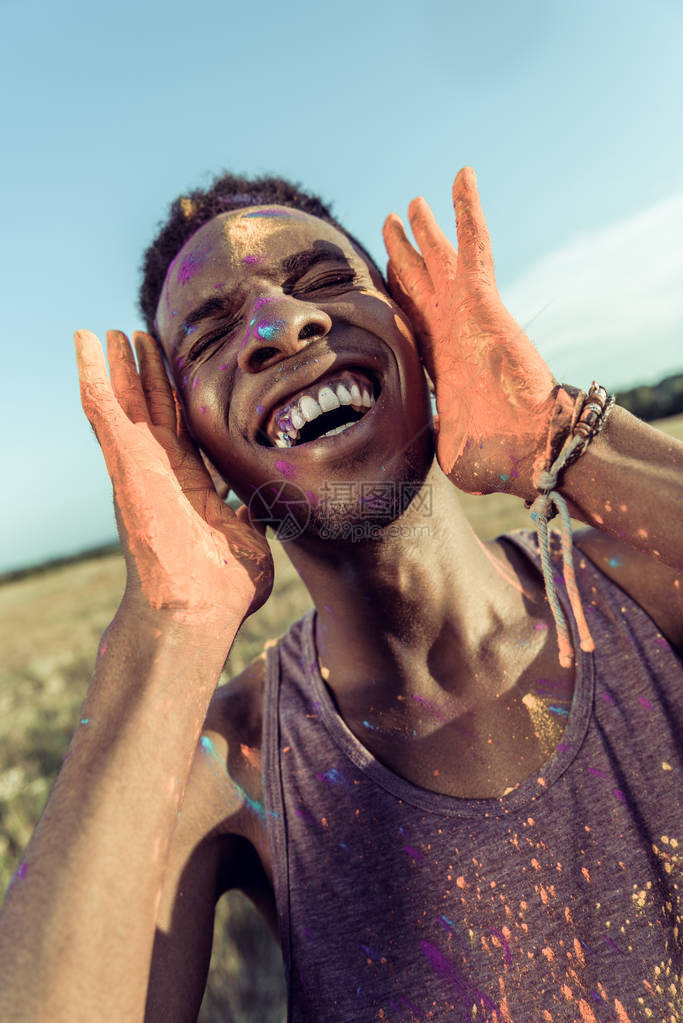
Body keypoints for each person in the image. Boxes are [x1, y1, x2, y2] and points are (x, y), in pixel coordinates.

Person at [0, 167, 680, 1022]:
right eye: (212, 337)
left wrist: (556, 432)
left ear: (419, 336)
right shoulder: (231, 763)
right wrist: (172, 621)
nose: (282, 325)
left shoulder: (639, 589)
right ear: (197, 450)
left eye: (323, 282)